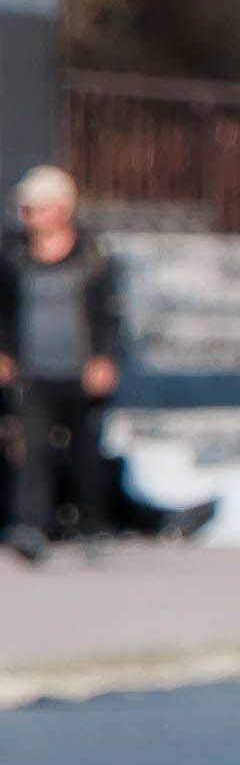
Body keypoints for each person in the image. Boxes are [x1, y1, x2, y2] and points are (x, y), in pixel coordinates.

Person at [5, 166, 124, 564]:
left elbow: (109, 312)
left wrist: (104, 356)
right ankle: (32, 528)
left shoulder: (92, 255)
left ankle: (93, 526)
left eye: (35, 208)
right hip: (32, 373)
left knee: (86, 453)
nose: (28, 217)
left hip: (80, 371)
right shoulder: (13, 256)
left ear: (62, 208)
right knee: (33, 451)